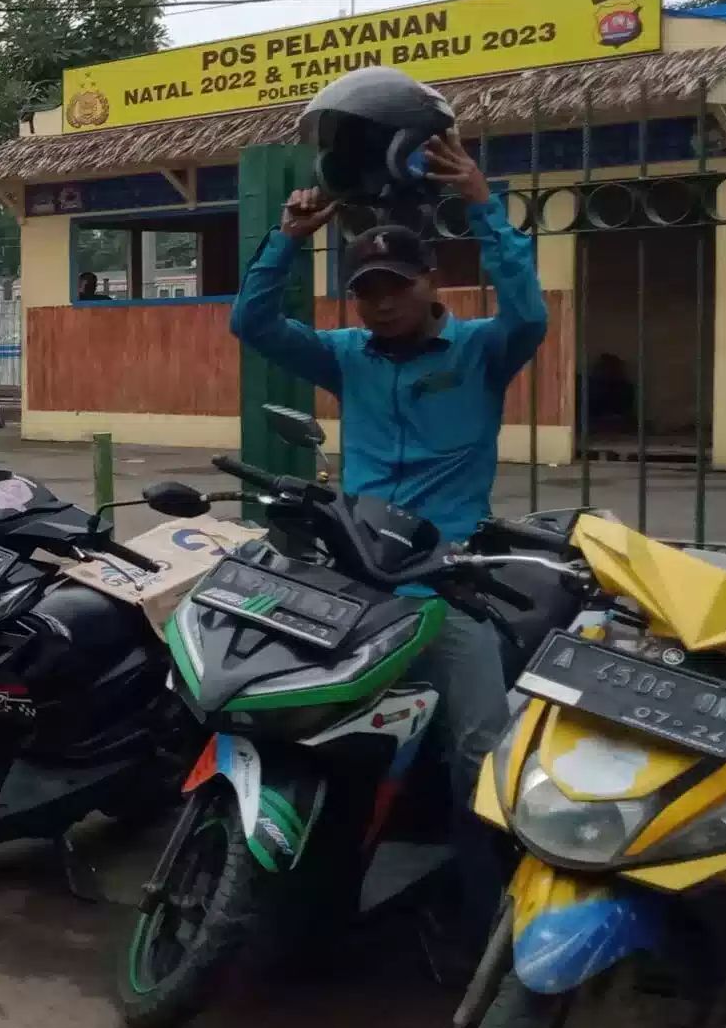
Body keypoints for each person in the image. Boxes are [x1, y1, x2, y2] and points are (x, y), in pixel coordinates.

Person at [231, 112, 544, 912]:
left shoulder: (480, 351)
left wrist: (484, 205)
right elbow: (253, 323)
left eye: (394, 287)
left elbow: (530, 316)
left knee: (479, 743)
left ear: (429, 280)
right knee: (263, 693)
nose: (379, 304)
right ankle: (263, 857)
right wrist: (289, 239)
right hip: (353, 572)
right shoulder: (345, 355)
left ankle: (486, 911)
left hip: (445, 584)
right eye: (365, 291)